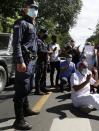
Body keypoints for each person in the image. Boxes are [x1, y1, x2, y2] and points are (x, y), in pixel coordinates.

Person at [12, 0, 40, 130]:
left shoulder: (33, 24)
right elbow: (16, 43)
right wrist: (20, 61)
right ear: (24, 8)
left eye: (36, 7)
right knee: (21, 88)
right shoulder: (21, 23)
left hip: (32, 61)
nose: (34, 9)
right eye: (31, 7)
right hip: (25, 61)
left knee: (28, 87)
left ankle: (26, 109)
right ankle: (19, 120)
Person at [34, 29, 50, 95]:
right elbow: (39, 51)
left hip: (45, 61)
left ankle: (42, 87)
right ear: (40, 33)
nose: (46, 34)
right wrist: (48, 52)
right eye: (44, 33)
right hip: (40, 61)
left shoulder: (43, 41)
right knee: (39, 76)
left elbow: (45, 50)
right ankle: (37, 90)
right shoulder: (38, 41)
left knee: (44, 75)